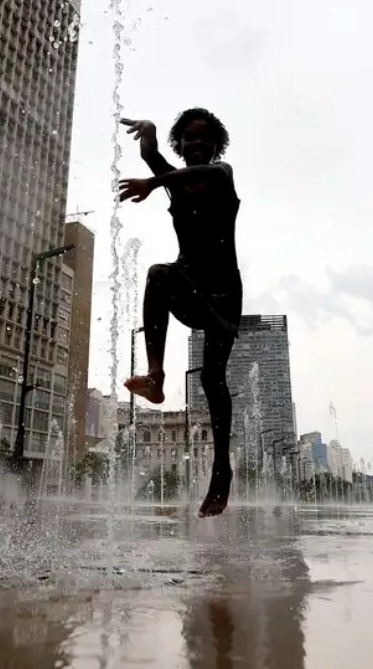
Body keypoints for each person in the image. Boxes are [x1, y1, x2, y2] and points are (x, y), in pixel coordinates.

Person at [118, 109, 242, 518]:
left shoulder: (222, 173)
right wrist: (150, 134)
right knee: (157, 275)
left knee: (211, 377)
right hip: (188, 280)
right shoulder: (178, 181)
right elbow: (153, 157)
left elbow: (177, 176)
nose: (196, 145)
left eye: (203, 138)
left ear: (215, 144)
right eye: (188, 139)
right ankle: (156, 377)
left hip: (222, 291)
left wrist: (155, 181)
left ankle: (221, 471)